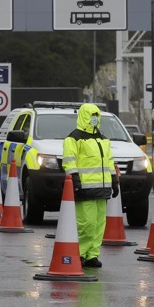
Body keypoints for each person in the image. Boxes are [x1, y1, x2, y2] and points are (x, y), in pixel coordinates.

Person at [62, 103, 117, 268]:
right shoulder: (74, 138)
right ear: (85, 116)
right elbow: (69, 161)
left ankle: (92, 255)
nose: (95, 118)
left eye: (96, 115)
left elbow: (109, 162)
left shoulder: (103, 139)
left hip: (102, 188)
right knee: (86, 223)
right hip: (84, 189)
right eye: (92, 115)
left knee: (99, 224)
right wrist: (75, 180)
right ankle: (79, 253)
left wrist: (114, 181)